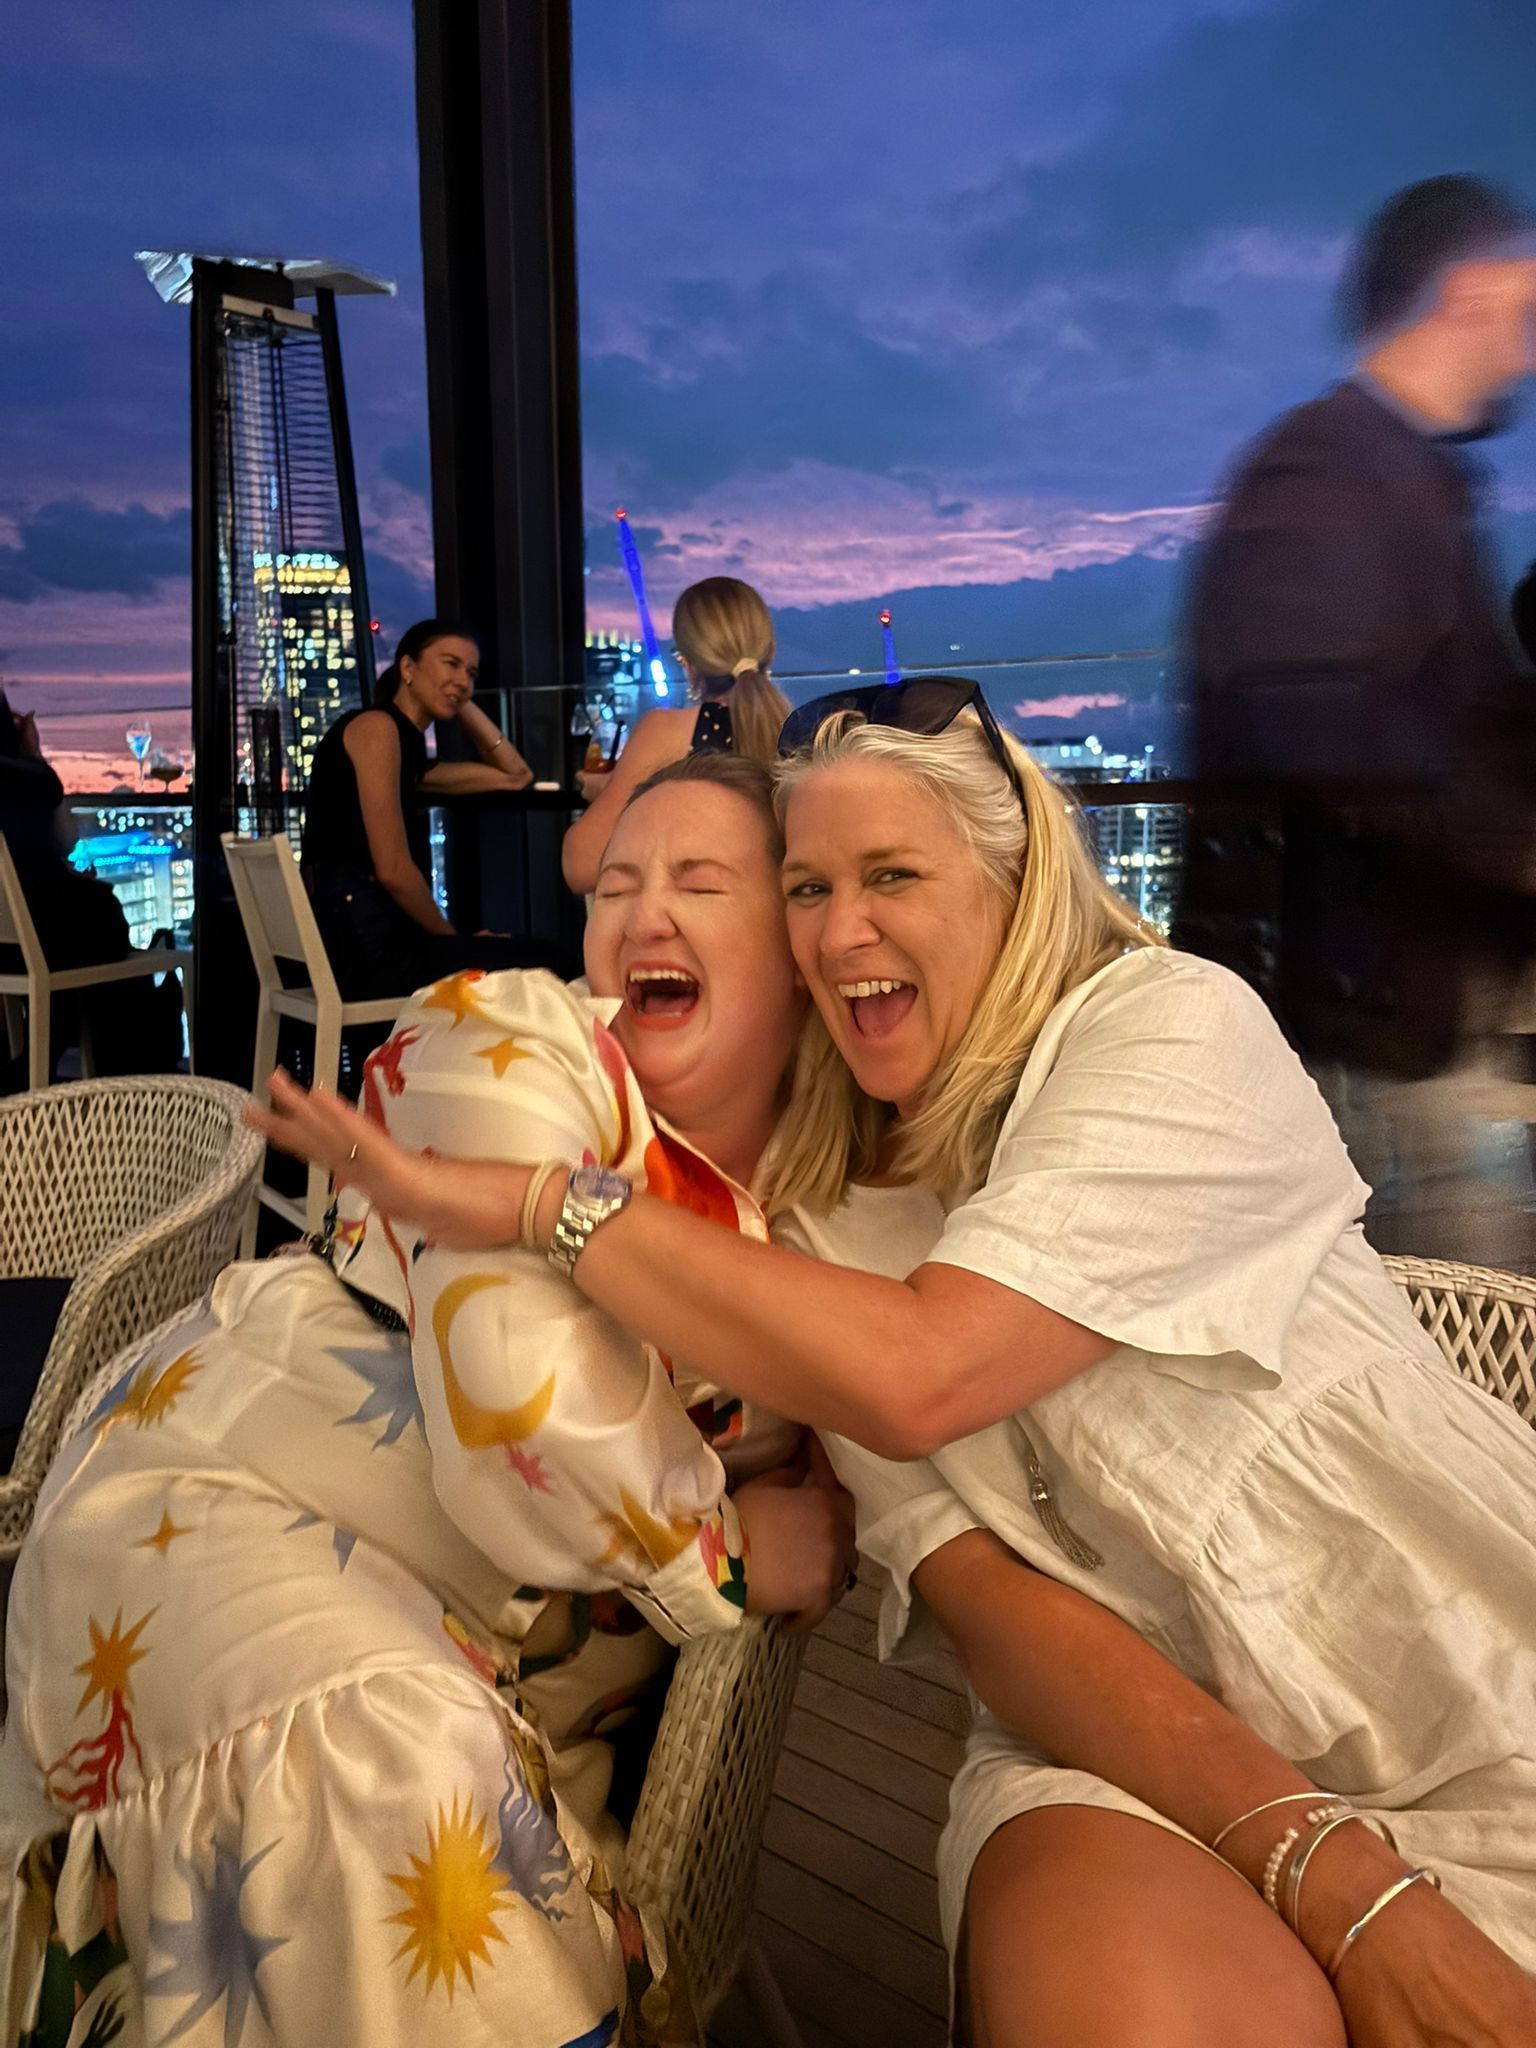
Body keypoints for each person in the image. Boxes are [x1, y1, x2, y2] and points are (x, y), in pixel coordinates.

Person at [267, 687, 1536, 2048]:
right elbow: (985, 1593)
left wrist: (541, 1207)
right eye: (806, 888)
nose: (839, 928)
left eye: (890, 876)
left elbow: (926, 1369)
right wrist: (1326, 1869)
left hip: (1445, 1649)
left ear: (1015, 880)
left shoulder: (1168, 1030)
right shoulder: (823, 1227)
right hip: (1115, 1743)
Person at [0, 754, 862, 2048]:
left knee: (424, 1801)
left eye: (700, 881)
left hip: (472, 1646)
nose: (643, 914)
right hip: (237, 1491)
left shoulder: (829, 1220)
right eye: (616, 883)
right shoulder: (505, 1031)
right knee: (381, 1771)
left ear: (795, 958)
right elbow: (520, 1379)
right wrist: (727, 1556)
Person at [1175, 175, 1536, 1265]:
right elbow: (1332, 736)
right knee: (1465, 1367)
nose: (1528, 349)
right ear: (1469, 290)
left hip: (1397, 1020)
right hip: (1378, 1043)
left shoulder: (1392, 478)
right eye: (1526, 310)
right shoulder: (1329, 474)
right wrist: (1518, 853)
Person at [301, 618, 558, 999]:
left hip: (363, 940)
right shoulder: (377, 728)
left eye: (471, 673)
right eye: (450, 664)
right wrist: (454, 941)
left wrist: (460, 698)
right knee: (554, 960)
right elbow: (393, 870)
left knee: (533, 953)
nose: (463, 679)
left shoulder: (405, 753)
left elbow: (516, 775)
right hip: (368, 952)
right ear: (407, 667)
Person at [562, 577, 789, 896]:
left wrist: (608, 792)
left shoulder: (668, 731)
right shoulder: (801, 731)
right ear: (772, 652)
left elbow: (582, 866)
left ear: (689, 665)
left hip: (703, 937)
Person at [0, 688, 181, 1083]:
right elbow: (65, 837)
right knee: (105, 934)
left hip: (14, 948)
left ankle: (44, 1065)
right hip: (49, 940)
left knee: (93, 948)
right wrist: (33, 751)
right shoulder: (26, 778)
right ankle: (133, 1066)